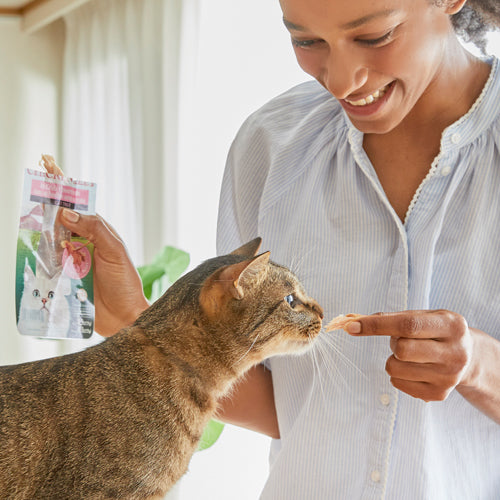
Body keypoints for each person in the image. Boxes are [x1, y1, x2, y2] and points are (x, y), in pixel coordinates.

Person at [59, 0, 500, 498]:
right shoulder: (269, 146)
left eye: (374, 37)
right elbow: (291, 407)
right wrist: (132, 317)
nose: (340, 81)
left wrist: (480, 366)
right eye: (306, 41)